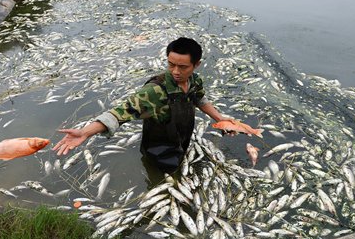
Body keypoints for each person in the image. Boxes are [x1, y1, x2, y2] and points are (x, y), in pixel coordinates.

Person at [53, 37, 234, 172]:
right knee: (162, 175)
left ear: (196, 65)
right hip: (159, 149)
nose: (175, 72)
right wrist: (85, 132)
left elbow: (200, 100)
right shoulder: (154, 91)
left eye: (183, 67)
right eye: (171, 65)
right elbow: (119, 113)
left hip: (182, 138)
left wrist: (221, 119)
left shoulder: (194, 80)